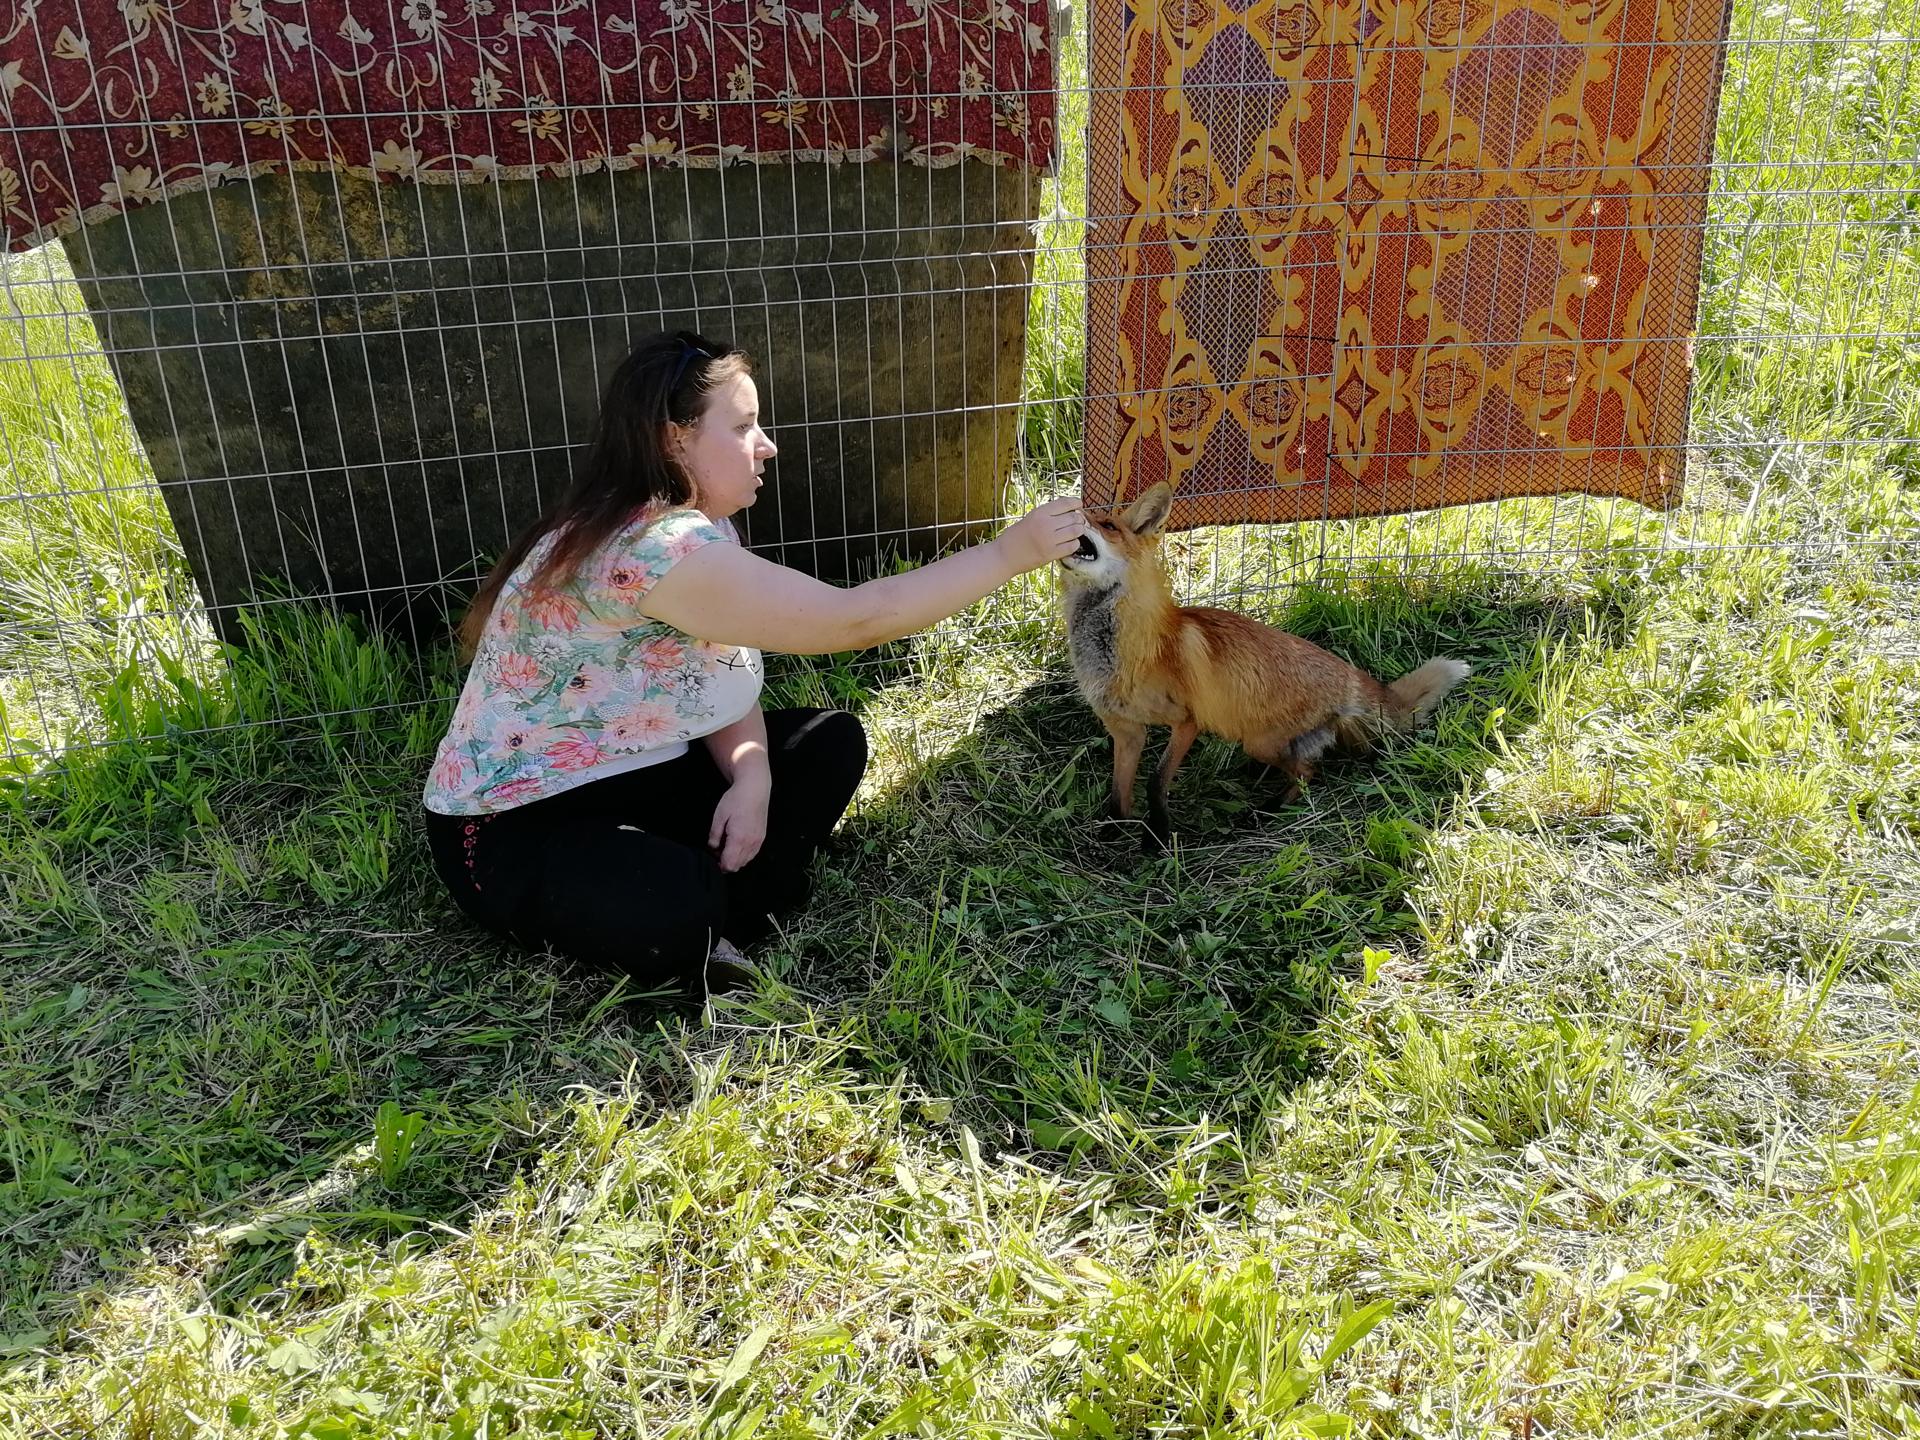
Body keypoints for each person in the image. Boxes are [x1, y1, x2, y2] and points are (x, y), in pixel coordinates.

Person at [422, 330, 1086, 995]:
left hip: (628, 772)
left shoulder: (690, 523)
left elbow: (715, 672)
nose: (766, 443)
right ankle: (701, 907)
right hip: (514, 822)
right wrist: (1008, 554)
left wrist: (753, 779)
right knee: (672, 909)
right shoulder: (655, 548)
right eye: (743, 427)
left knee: (828, 742)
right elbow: (857, 619)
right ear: (672, 440)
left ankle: (703, 903)